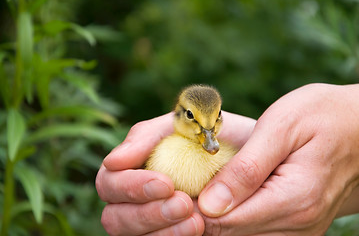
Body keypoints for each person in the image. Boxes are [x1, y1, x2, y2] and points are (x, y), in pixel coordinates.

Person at [96, 83, 359, 236]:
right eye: (192, 118)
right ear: (179, 114)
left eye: (215, 120)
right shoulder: (164, 152)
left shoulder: (228, 154)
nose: (210, 139)